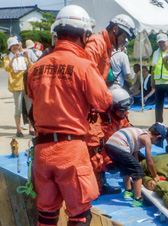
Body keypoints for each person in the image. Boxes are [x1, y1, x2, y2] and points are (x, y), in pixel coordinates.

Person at [27, 5, 113, 225]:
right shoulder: (83, 66)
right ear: (84, 35)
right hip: (71, 150)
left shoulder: (36, 67)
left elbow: (33, 101)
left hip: (42, 151)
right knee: (79, 214)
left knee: (46, 214)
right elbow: (104, 102)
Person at [84, 14, 136, 195]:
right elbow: (85, 71)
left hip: (95, 104)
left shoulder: (106, 48)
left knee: (98, 140)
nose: (124, 41)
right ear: (115, 30)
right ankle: (94, 185)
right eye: (124, 36)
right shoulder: (97, 43)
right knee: (93, 143)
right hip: (89, 105)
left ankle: (99, 182)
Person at [105, 123, 167, 207]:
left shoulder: (139, 133)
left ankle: (128, 191)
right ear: (158, 137)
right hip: (119, 145)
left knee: (125, 166)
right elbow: (149, 161)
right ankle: (138, 199)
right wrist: (155, 175)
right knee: (138, 170)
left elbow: (134, 156)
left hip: (110, 145)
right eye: (157, 142)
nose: (154, 144)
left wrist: (137, 166)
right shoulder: (147, 138)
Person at [90, 88, 133, 195]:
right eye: (121, 110)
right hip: (98, 150)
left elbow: (127, 133)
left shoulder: (123, 116)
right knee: (96, 159)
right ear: (113, 108)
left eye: (125, 110)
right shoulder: (102, 120)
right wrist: (109, 163)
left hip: (113, 147)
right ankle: (99, 185)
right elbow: (103, 145)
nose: (123, 113)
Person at [4, 36, 34, 137]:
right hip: (16, 86)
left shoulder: (23, 56)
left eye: (16, 45)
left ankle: (31, 127)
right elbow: (7, 68)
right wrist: (14, 59)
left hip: (26, 84)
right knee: (18, 108)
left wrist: (27, 57)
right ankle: (18, 130)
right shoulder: (8, 57)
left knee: (30, 107)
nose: (15, 47)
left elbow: (31, 67)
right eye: (13, 46)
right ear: (10, 48)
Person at [151, 33, 168, 126]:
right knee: (158, 105)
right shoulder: (156, 53)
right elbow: (153, 67)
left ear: (167, 41)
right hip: (158, 83)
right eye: (159, 43)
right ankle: (158, 123)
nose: (161, 44)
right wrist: (152, 79)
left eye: (163, 42)